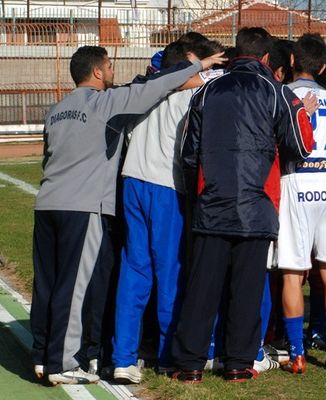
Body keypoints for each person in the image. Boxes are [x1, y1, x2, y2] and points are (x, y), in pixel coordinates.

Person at [30, 45, 225, 385]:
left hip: (48, 201)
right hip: (86, 203)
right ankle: (64, 361)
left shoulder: (57, 109)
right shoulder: (106, 102)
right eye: (108, 65)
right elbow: (153, 87)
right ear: (97, 73)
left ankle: (44, 355)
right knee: (76, 286)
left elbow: (48, 155)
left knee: (48, 282)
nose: (112, 70)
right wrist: (198, 65)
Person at [171, 27, 314, 383]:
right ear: (267, 59)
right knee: (248, 289)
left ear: (236, 54)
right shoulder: (276, 91)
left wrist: (199, 192)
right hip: (257, 205)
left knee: (201, 288)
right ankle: (237, 362)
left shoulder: (207, 90)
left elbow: (188, 151)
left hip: (213, 203)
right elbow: (300, 144)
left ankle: (189, 364)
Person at [111, 39, 224, 384]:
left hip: (133, 180)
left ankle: (124, 357)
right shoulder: (191, 95)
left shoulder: (144, 89)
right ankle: (167, 354)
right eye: (197, 64)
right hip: (164, 185)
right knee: (170, 272)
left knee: (134, 270)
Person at [279, 33, 326, 374]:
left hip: (299, 181)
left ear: (292, 61)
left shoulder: (284, 94)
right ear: (323, 66)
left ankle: (296, 354)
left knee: (293, 273)